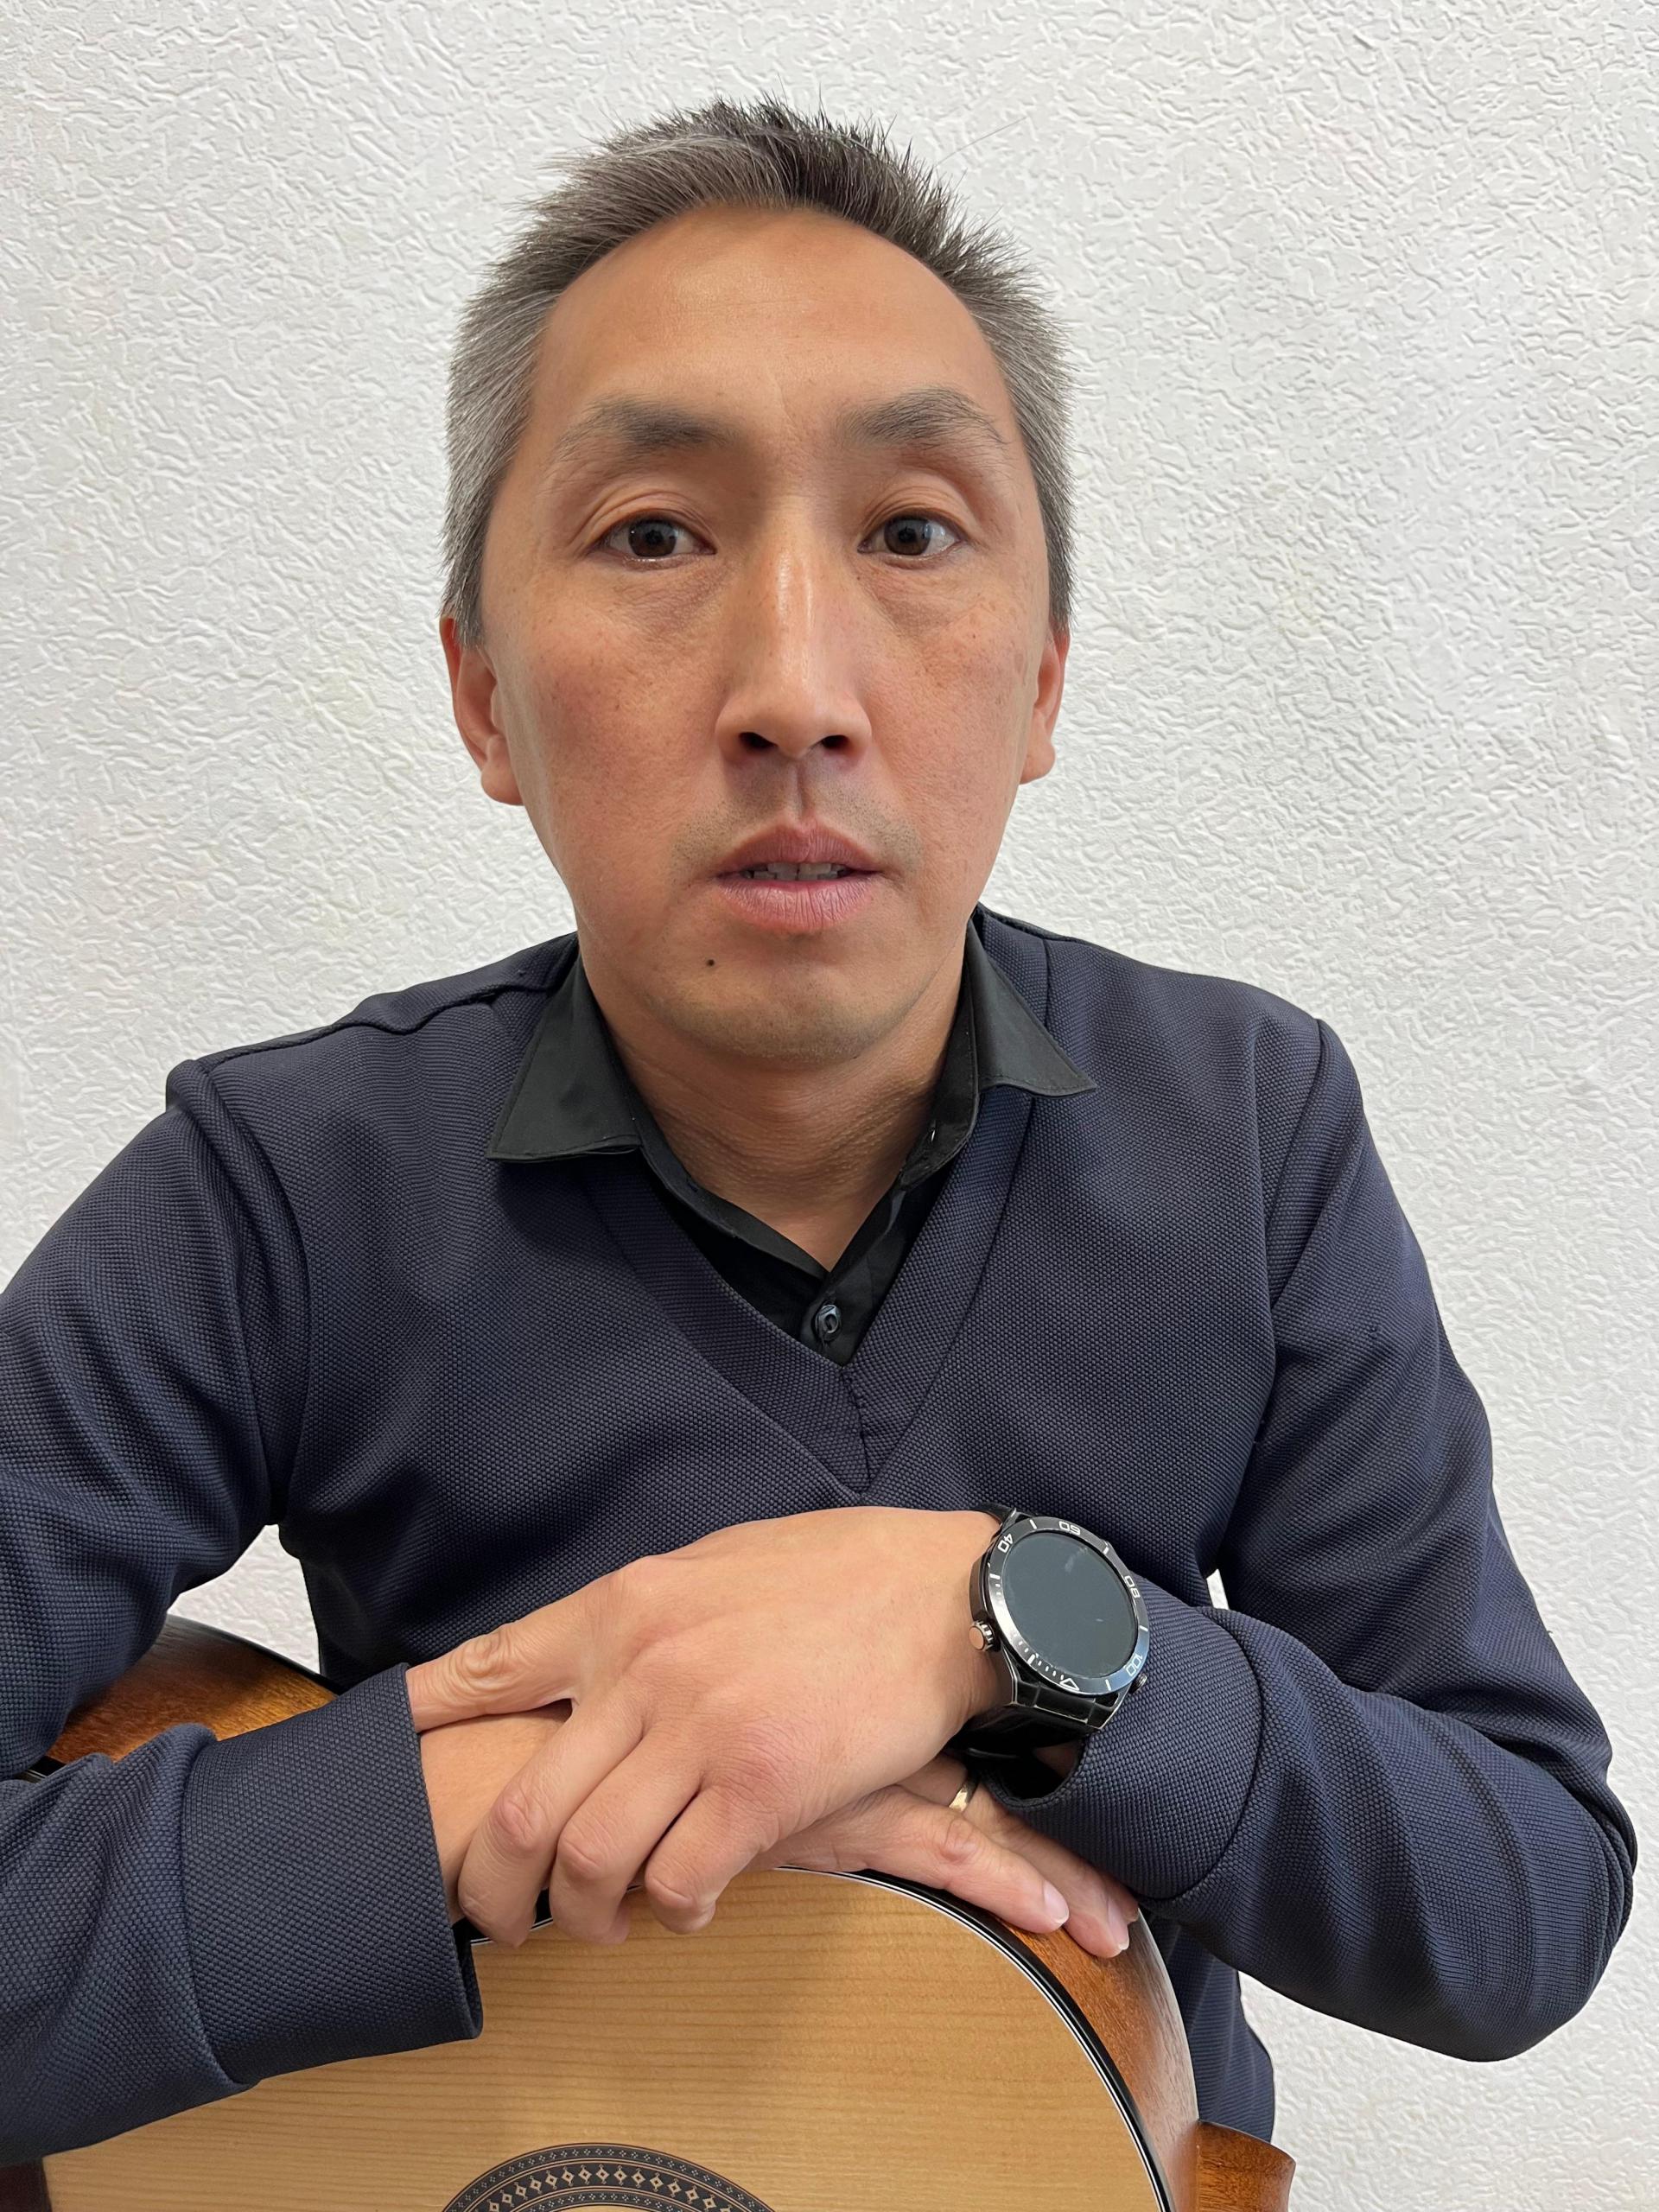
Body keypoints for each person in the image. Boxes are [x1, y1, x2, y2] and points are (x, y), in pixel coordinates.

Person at [0, 93, 1635, 2168]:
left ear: (1043, 683)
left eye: (912, 532)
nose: (794, 685)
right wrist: (476, 1800)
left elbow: (1526, 1895)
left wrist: (997, 1621)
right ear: (486, 696)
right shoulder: (279, 1188)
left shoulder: (1253, 1130)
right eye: (653, 533)